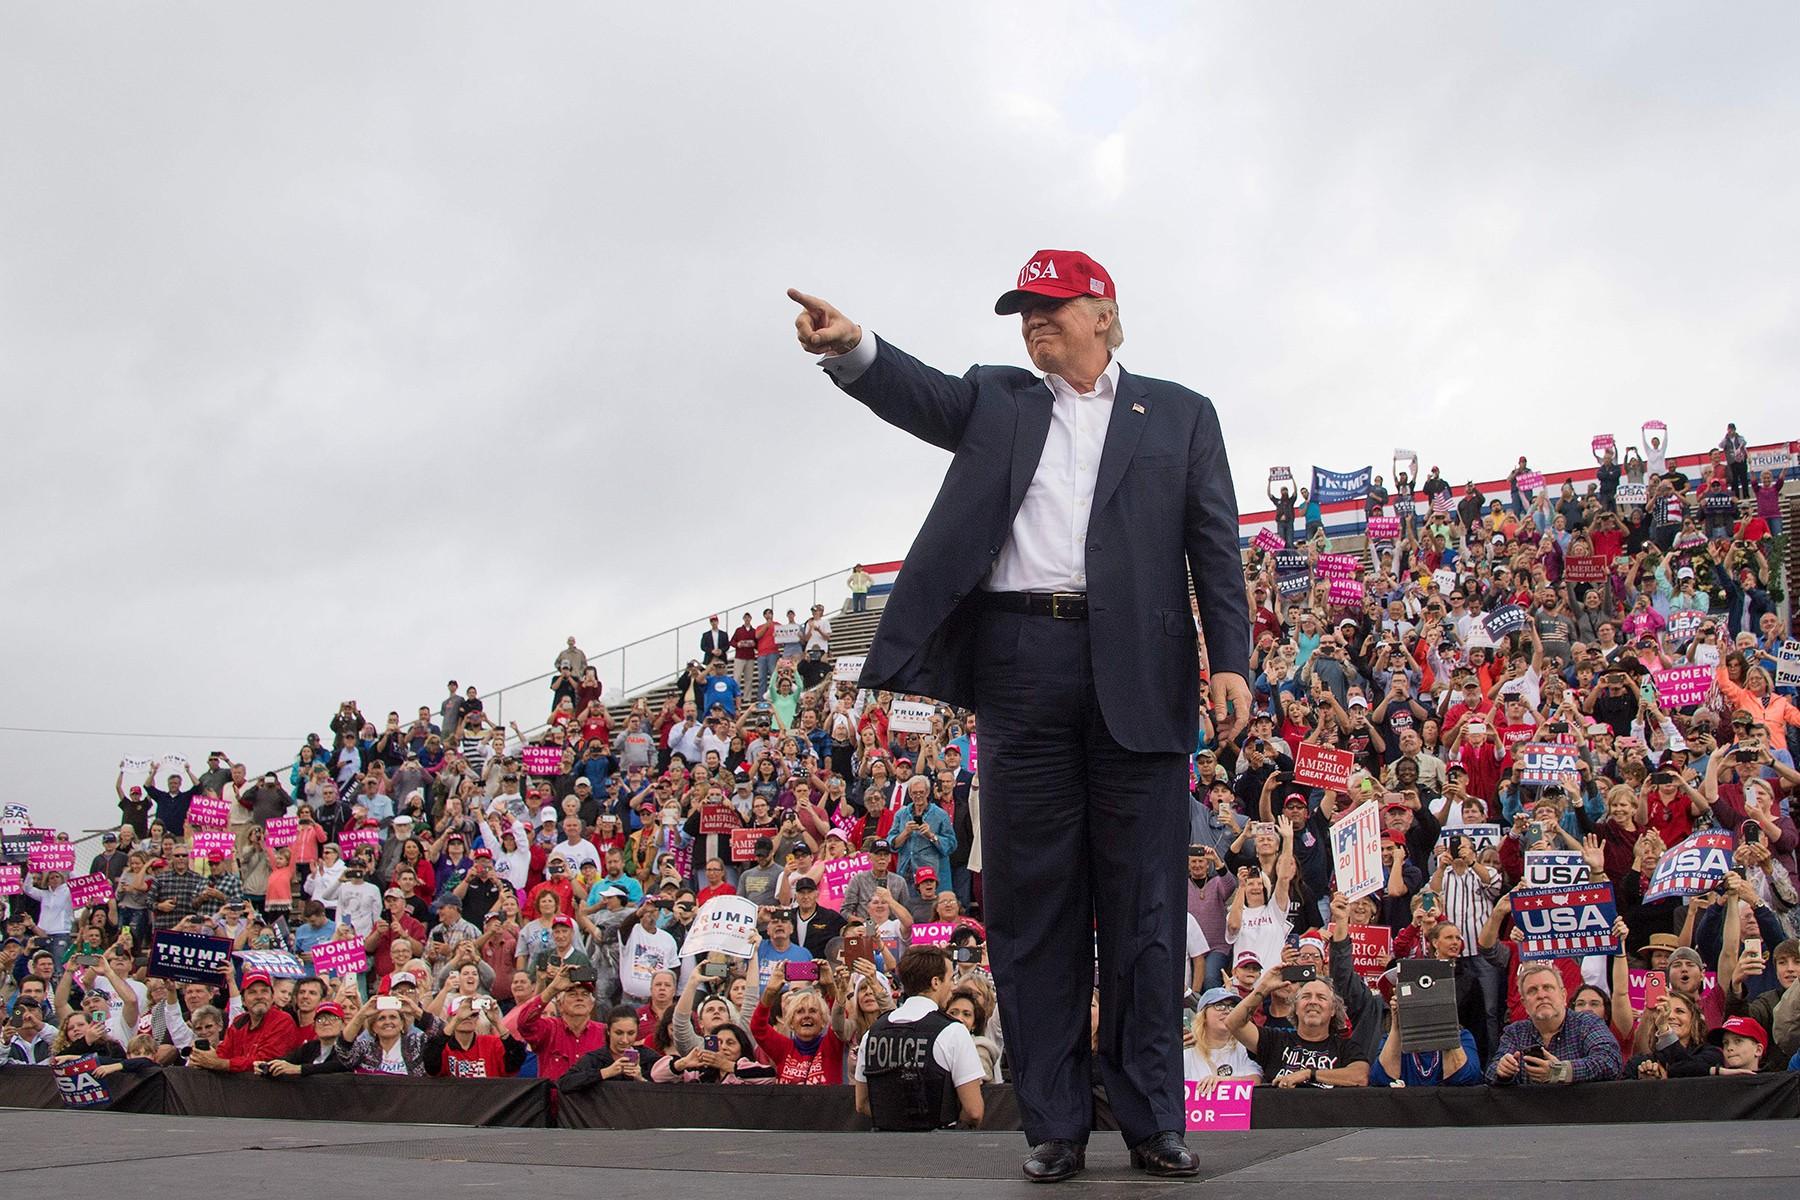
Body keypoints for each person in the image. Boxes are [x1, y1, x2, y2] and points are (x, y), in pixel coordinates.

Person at [793, 251, 1251, 1181]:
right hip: (1019, 665)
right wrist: (852, 348)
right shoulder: (999, 399)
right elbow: (921, 395)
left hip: (1140, 671)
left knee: (1146, 909)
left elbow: (1214, 541)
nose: (1033, 322)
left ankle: (1153, 1119)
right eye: (1023, 310)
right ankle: (1054, 1125)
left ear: (1104, 313)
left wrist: (1232, 660)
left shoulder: (1181, 413)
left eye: (1051, 306)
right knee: (1035, 908)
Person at [854, 945, 986, 1130]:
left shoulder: (872, 1033)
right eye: (950, 979)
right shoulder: (953, 1031)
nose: (953, 986)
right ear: (935, 982)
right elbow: (974, 1112)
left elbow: (862, 1104)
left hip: (885, 1143)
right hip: (940, 1144)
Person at [1226, 967, 1370, 1089]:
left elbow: (1360, 1077)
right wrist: (1264, 988)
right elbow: (1233, 1023)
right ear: (1295, 1008)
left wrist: (1308, 1074)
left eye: (1321, 997)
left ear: (1332, 1010)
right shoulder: (1275, 1040)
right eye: (1306, 996)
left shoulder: (1345, 1048)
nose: (1313, 1002)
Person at [1488, 961, 1623, 1085]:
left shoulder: (1588, 1023)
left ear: (1563, 996)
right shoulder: (1515, 1033)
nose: (1541, 995)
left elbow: (1610, 1061)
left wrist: (1560, 1071)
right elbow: (1491, 1073)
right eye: (1532, 991)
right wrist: (1503, 1071)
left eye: (1548, 988)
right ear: (1524, 1003)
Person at [1182, 987, 1260, 1083]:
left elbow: (1256, 1080)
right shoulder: (1187, 1053)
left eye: (1232, 1006)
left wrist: (1224, 1081)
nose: (1227, 1011)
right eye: (1219, 1006)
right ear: (1203, 1014)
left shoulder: (1245, 1048)